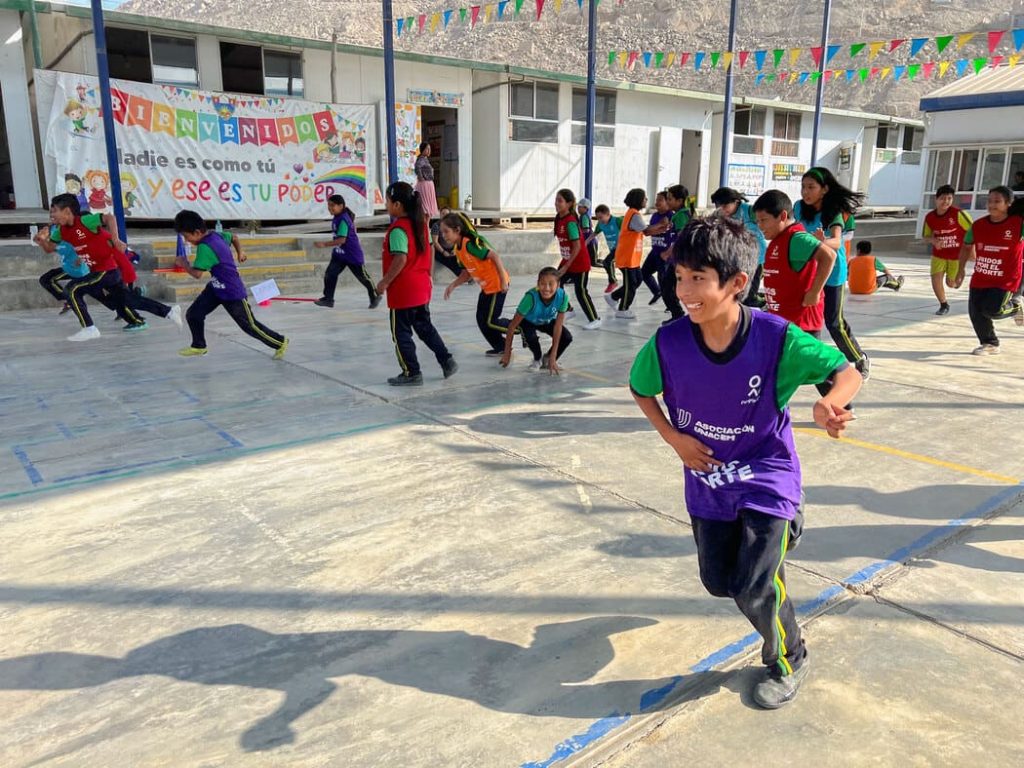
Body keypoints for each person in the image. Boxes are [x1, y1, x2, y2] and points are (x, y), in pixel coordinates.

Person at [629, 214, 862, 710]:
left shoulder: (776, 339)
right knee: (720, 582)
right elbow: (640, 388)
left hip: (765, 474)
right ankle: (781, 534)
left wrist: (830, 403)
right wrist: (675, 440)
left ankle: (788, 658)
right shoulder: (668, 343)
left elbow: (846, 371)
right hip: (708, 481)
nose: (684, 290)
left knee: (756, 585)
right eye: (679, 277)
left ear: (736, 284)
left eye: (698, 279)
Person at [173, 210, 288, 359]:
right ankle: (198, 346)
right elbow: (234, 237)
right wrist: (240, 252)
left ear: (196, 232)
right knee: (194, 314)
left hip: (232, 291)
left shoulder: (204, 247)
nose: (186, 241)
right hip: (216, 287)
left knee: (249, 325)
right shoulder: (215, 235)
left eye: (186, 236)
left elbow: (197, 274)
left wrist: (184, 263)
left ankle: (280, 342)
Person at [377, 181, 457, 385]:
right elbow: (430, 251)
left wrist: (385, 282)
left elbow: (400, 258)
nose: (386, 204)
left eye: (387, 200)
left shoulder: (398, 230)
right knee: (425, 328)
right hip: (421, 287)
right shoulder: (422, 225)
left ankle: (411, 372)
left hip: (403, 291)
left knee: (401, 333)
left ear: (396, 205)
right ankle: (446, 360)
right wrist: (428, 275)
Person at [32, 193, 141, 341]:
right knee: (49, 280)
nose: (52, 215)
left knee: (107, 297)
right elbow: (51, 248)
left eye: (54, 211)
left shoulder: (84, 231)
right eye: (51, 212)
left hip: (88, 270)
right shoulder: (57, 231)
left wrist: (81, 257)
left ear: (67, 212)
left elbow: (112, 253)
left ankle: (132, 313)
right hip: (75, 269)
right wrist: (42, 241)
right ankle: (73, 302)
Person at [794, 167, 870, 380]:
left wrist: (821, 241)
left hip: (833, 273)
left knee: (833, 321)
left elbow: (837, 241)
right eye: (803, 187)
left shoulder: (832, 211)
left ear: (825, 189)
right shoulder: (799, 208)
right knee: (805, 318)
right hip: (808, 272)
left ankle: (858, 358)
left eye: (811, 187)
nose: (805, 192)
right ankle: (814, 363)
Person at [954, 185, 1024, 355]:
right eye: (990, 201)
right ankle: (990, 343)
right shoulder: (978, 225)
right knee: (976, 312)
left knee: (993, 309)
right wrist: (960, 269)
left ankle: (1017, 306)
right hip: (981, 277)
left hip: (1006, 279)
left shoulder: (1018, 224)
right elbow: (966, 247)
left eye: (997, 201)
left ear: (1009, 203)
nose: (992, 205)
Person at [440, 212, 512, 354]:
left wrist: (503, 280)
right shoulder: (458, 249)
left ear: (457, 230)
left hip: (497, 284)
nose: (443, 235)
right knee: (481, 319)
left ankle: (520, 326)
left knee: (491, 320)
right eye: (442, 232)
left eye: (446, 231)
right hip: (487, 287)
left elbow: (494, 256)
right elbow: (467, 273)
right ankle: (501, 347)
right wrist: (453, 285)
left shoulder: (470, 244)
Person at [606, 188, 668, 319]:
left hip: (632, 257)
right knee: (631, 284)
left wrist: (662, 228)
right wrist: (661, 224)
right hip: (627, 256)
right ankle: (622, 309)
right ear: (638, 200)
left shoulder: (633, 214)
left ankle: (613, 297)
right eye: (644, 198)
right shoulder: (634, 215)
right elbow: (646, 230)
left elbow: (647, 232)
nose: (646, 200)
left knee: (637, 280)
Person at [499, 266, 572, 373]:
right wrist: (507, 353)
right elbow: (512, 327)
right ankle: (537, 359)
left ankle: (547, 359)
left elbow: (558, 326)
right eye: (542, 284)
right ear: (538, 284)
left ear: (558, 285)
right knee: (531, 338)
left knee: (566, 337)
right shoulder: (530, 298)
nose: (546, 288)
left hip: (546, 320)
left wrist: (553, 356)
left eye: (551, 284)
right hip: (528, 321)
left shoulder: (563, 297)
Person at [313, 194, 380, 310]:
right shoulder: (337, 217)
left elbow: (342, 239)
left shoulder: (343, 219)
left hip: (351, 254)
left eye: (332, 205)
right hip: (339, 254)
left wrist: (324, 244)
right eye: (328, 205)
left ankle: (375, 295)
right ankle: (328, 299)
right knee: (330, 274)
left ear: (341, 206)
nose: (330, 208)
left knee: (363, 277)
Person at [552, 188, 601, 330]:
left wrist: (566, 267)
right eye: (556, 200)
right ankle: (568, 310)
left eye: (560, 201)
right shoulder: (559, 219)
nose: (556, 203)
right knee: (555, 282)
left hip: (579, 262)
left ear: (569, 204)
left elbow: (577, 246)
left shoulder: (571, 222)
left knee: (581, 291)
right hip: (567, 260)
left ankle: (594, 318)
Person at [711, 186, 767, 308]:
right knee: (740, 287)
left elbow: (765, 218)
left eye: (725, 206)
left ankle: (761, 303)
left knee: (751, 287)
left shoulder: (749, 211)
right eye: (719, 207)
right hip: (738, 256)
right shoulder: (723, 216)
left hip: (758, 255)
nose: (722, 210)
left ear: (736, 202)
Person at [923, 184, 972, 315]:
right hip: (938, 255)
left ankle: (958, 277)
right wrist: (933, 240)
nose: (946, 201)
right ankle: (943, 304)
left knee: (951, 284)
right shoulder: (930, 217)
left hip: (956, 256)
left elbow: (973, 232)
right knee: (935, 279)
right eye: (943, 198)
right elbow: (925, 236)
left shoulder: (959, 214)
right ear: (936, 199)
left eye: (949, 198)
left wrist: (972, 252)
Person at [659, 184, 696, 321]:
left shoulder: (681, 216)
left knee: (667, 285)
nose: (667, 201)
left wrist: (669, 252)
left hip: (680, 257)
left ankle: (677, 313)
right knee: (670, 284)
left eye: (669, 199)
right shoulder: (684, 214)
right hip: (683, 256)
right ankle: (677, 313)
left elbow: (681, 237)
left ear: (679, 201)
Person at [640, 191, 672, 305]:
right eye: (656, 200)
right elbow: (648, 231)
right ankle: (657, 292)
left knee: (664, 279)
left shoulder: (671, 215)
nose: (657, 202)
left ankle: (672, 305)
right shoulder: (655, 215)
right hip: (655, 251)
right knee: (644, 273)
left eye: (660, 200)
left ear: (668, 201)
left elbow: (667, 230)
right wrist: (660, 227)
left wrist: (658, 228)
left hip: (665, 253)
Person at [588, 204, 621, 293]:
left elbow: (629, 223)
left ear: (608, 214)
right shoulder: (601, 224)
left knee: (607, 262)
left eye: (601, 217)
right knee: (621, 267)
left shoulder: (617, 221)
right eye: (597, 218)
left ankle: (613, 282)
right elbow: (594, 234)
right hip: (613, 248)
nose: (599, 220)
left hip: (621, 248)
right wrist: (585, 242)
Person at [431, 206, 463, 277]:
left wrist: (455, 250)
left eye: (447, 214)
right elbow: (435, 242)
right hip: (440, 249)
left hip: (452, 248)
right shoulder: (436, 226)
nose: (444, 216)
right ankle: (462, 275)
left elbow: (457, 239)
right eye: (443, 214)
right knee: (449, 259)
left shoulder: (454, 226)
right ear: (440, 215)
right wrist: (443, 251)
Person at [414, 142, 440, 219]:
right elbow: (417, 168)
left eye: (429, 149)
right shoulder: (421, 159)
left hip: (428, 184)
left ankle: (427, 227)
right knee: (425, 207)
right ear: (422, 150)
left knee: (427, 209)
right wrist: (421, 177)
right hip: (424, 184)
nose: (429, 151)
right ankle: (425, 227)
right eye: (427, 149)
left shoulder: (425, 159)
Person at [577, 197, 599, 268]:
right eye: (578, 206)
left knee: (593, 262)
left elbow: (586, 229)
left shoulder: (584, 217)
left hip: (590, 242)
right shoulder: (582, 216)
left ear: (586, 208)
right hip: (587, 241)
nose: (578, 208)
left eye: (580, 207)